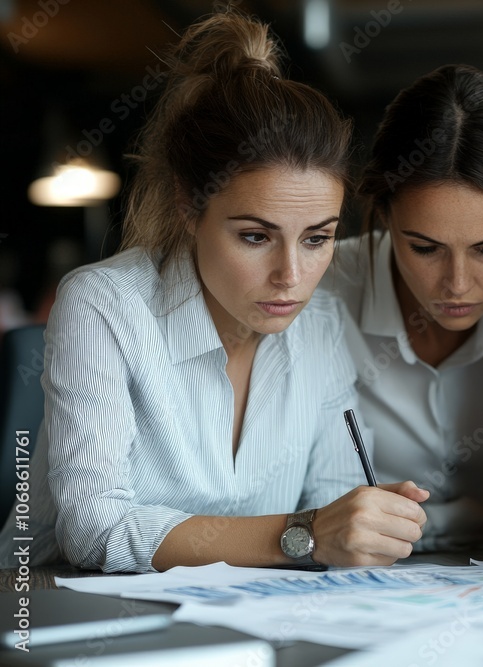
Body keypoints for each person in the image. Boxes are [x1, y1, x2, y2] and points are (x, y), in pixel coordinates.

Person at [0, 11, 428, 573]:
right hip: (54, 618)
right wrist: (304, 533)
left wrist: (365, 526)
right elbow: (94, 530)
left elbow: (334, 498)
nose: (292, 276)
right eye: (255, 236)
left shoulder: (321, 322)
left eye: (318, 238)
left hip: (244, 629)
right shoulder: (103, 304)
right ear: (187, 204)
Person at [323, 64, 483, 551]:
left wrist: (425, 524)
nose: (457, 284)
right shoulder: (318, 293)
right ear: (384, 214)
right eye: (425, 248)